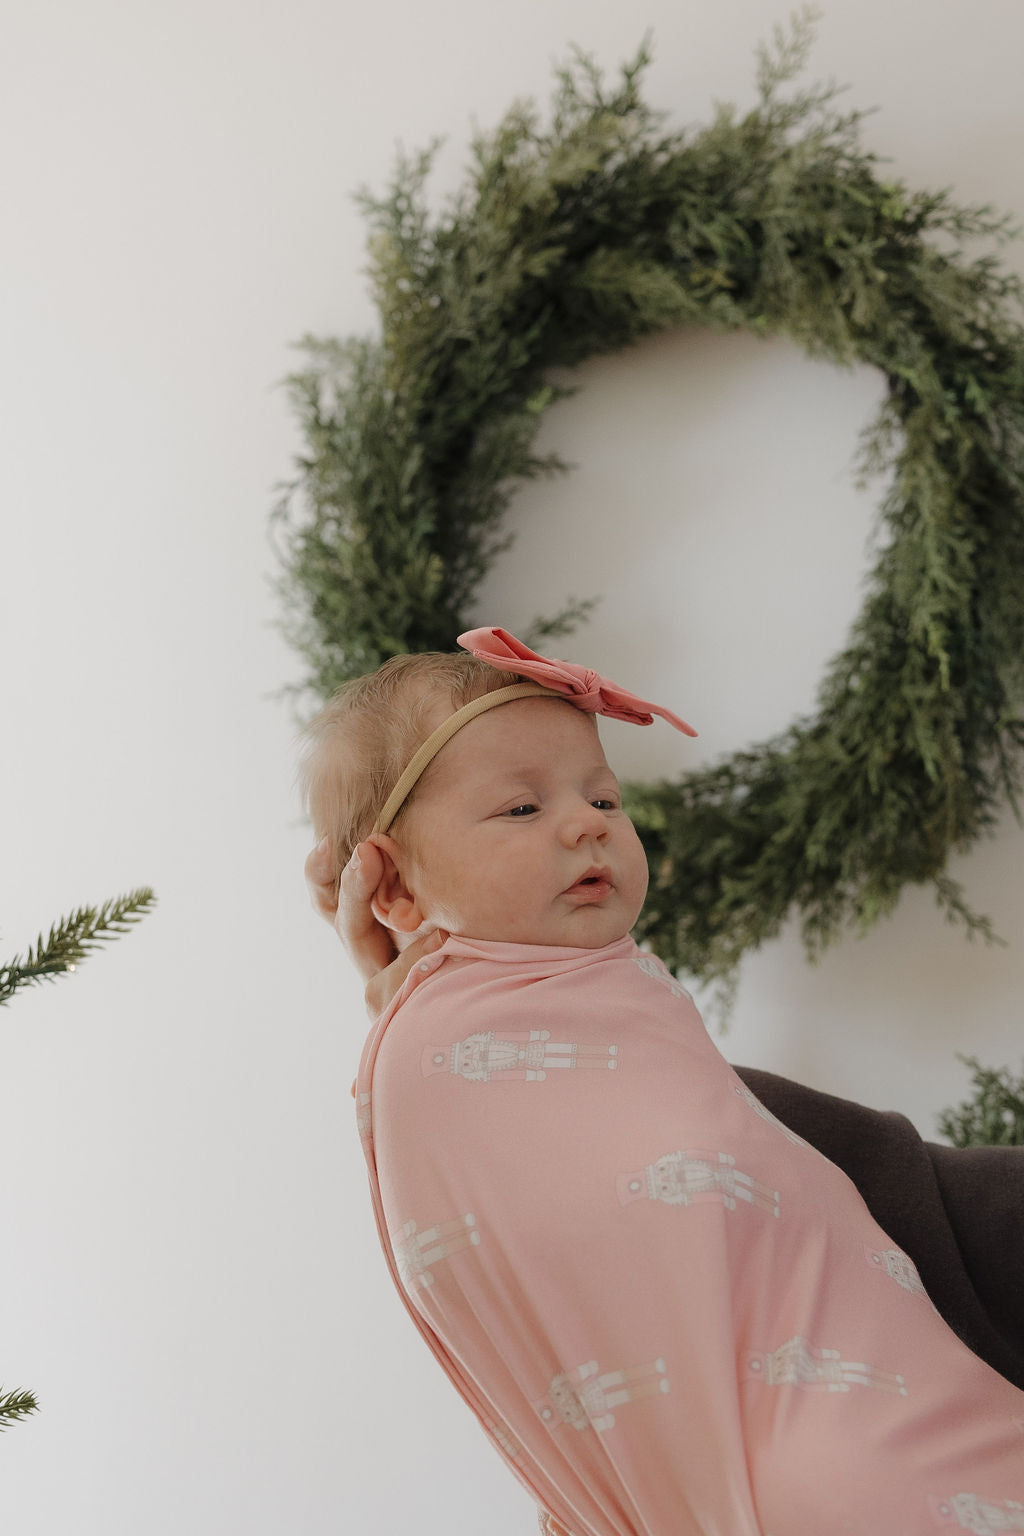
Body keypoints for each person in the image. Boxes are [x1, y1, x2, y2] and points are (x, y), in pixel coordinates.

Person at [300, 627, 1024, 1536]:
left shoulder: (598, 1009)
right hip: (825, 1462)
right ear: (393, 889)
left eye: (603, 794)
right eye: (520, 811)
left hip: (885, 1416)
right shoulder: (439, 1051)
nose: (587, 820)